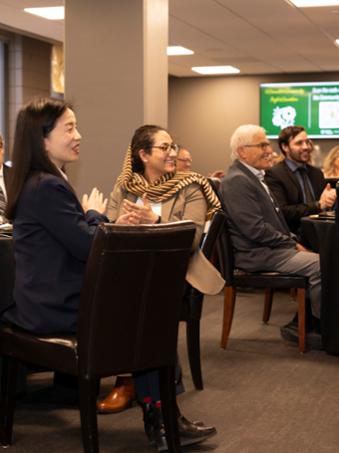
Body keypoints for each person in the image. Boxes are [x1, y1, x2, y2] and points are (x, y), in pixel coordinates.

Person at [1, 99, 216, 451]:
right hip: (51, 306)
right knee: (148, 315)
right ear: (42, 140)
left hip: (50, 296)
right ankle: (161, 418)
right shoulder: (47, 186)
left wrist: (92, 218)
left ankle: (161, 416)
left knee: (144, 310)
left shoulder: (43, 181)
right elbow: (87, 247)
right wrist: (95, 215)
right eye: (69, 128)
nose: (78, 135)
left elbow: (78, 242)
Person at [98, 125, 221, 419]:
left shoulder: (191, 185)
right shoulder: (124, 187)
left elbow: (191, 238)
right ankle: (153, 384)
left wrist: (155, 221)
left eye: (173, 146)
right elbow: (108, 229)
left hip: (175, 270)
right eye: (164, 148)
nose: (173, 153)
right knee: (111, 289)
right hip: (128, 266)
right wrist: (124, 224)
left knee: (135, 295)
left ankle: (129, 381)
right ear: (143, 154)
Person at [219, 124, 323, 349]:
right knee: (321, 265)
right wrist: (292, 244)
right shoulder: (237, 181)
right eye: (263, 144)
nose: (269, 149)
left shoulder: (253, 177)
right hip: (257, 255)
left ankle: (317, 323)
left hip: (271, 250)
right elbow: (255, 230)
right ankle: (320, 328)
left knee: (324, 259)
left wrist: (292, 242)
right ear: (242, 151)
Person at [265, 125, 336, 236]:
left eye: (307, 142)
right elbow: (282, 212)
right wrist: (318, 205)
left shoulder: (316, 173)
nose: (306, 147)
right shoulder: (274, 174)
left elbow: (324, 205)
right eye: (299, 143)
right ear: (285, 147)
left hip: (322, 231)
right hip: (294, 235)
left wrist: (330, 198)